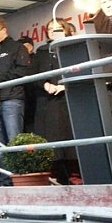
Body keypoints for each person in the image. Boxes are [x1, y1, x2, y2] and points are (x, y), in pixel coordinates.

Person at [0, 16, 32, 185]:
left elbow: (23, 71)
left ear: (5, 30)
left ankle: (20, 177)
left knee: (14, 140)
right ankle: (6, 180)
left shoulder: (17, 48)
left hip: (12, 99)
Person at [35, 19, 80, 184]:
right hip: (48, 100)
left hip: (69, 97)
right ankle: (56, 175)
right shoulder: (41, 51)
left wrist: (64, 86)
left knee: (70, 136)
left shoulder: (72, 47)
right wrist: (44, 83)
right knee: (52, 138)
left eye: (57, 28)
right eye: (50, 29)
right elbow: (36, 72)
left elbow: (79, 69)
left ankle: (75, 174)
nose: (53, 31)